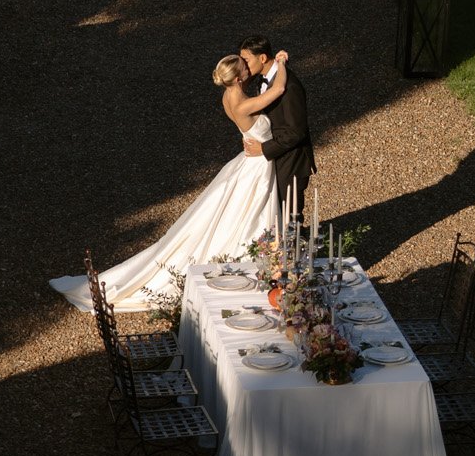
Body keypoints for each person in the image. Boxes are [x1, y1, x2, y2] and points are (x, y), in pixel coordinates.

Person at [49, 52, 288, 313]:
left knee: (234, 215)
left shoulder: (227, 98)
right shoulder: (243, 105)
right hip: (256, 166)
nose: (249, 69)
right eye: (245, 67)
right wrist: (281, 62)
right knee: (249, 213)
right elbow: (280, 88)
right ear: (240, 76)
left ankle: (262, 262)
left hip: (249, 159)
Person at [239, 35, 315, 219]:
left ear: (262, 58)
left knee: (288, 214)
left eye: (246, 60)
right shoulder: (263, 78)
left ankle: (295, 247)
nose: (243, 65)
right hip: (275, 158)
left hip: (290, 160)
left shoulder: (289, 87)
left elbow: (296, 131)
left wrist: (264, 148)